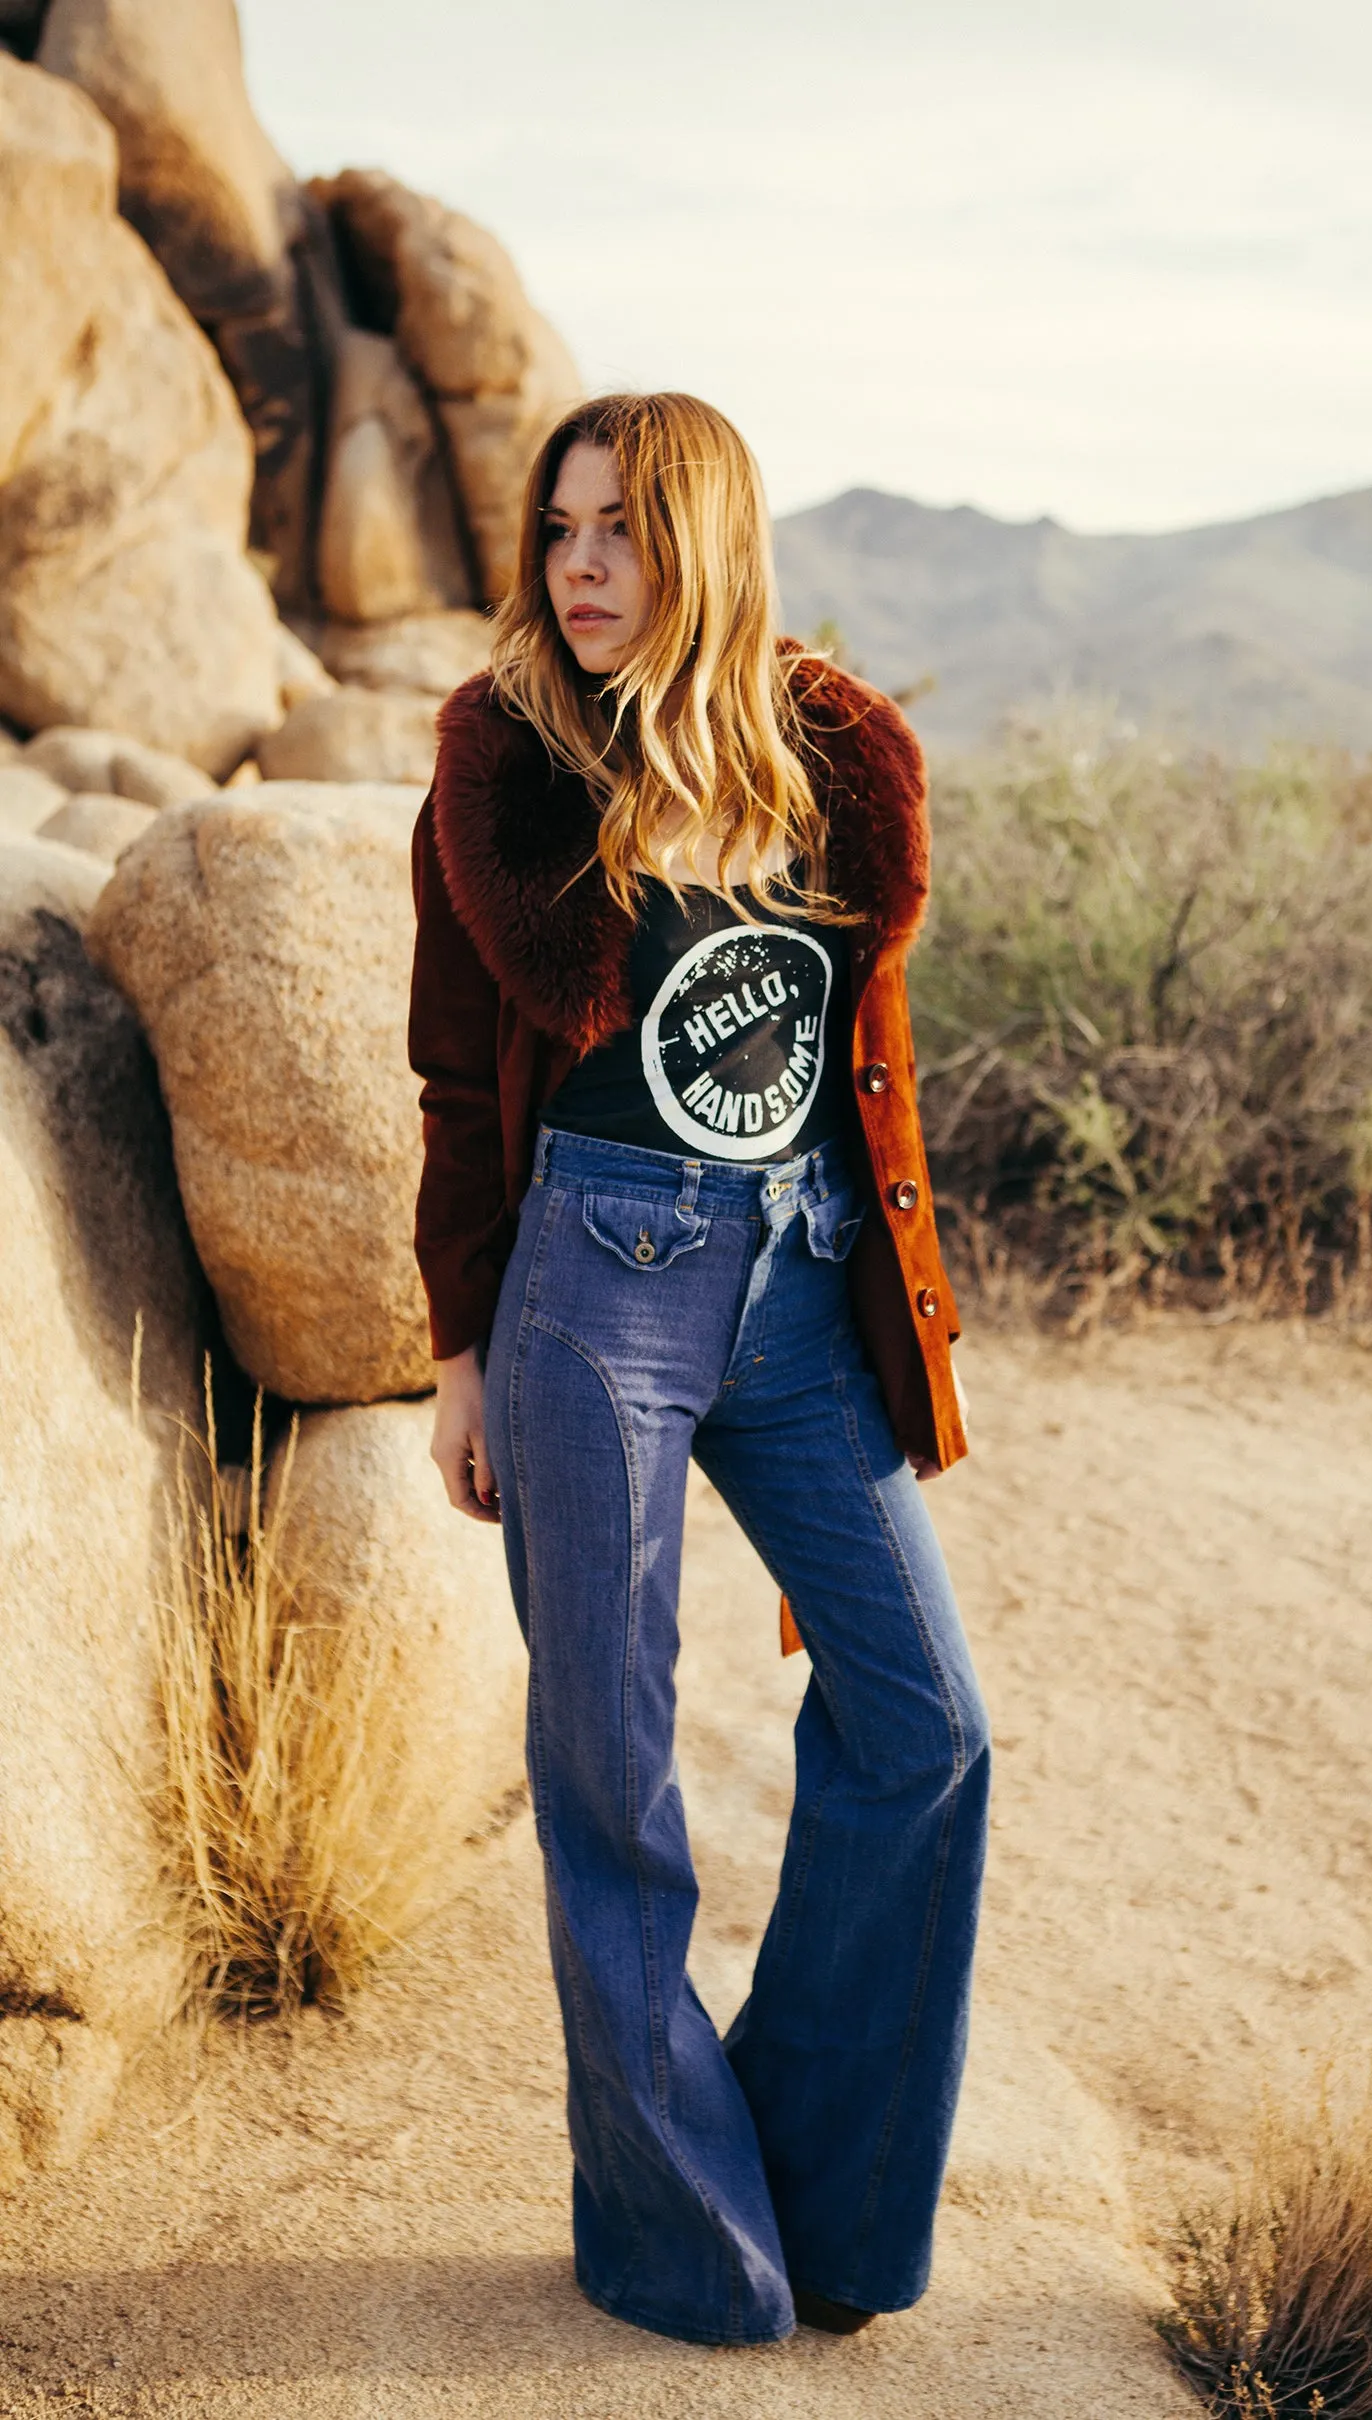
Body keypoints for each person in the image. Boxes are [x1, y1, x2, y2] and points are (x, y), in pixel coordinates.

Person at [408, 391, 989, 2348]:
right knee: (612, 1776)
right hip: (592, 1282)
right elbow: (450, 1080)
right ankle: (677, 2241)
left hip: (805, 1281)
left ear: (706, 544)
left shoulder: (827, 753)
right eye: (560, 528)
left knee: (923, 1725)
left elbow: (864, 1075)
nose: (579, 566)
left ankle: (821, 2200)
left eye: (622, 531)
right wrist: (461, 1342)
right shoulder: (504, 760)